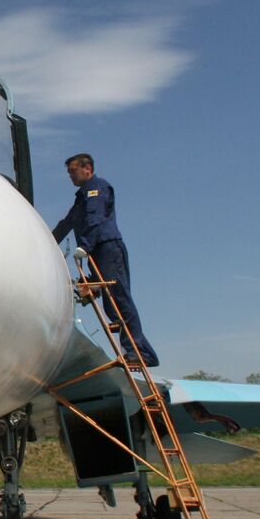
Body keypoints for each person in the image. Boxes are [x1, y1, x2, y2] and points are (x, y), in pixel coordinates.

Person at [52, 153, 159, 367]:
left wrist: (85, 245)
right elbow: (68, 222)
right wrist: (48, 241)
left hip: (107, 248)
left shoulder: (97, 189)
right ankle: (138, 351)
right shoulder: (82, 197)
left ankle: (138, 352)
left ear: (87, 168)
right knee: (111, 305)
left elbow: (95, 219)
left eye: (73, 171)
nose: (70, 176)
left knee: (119, 299)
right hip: (95, 252)